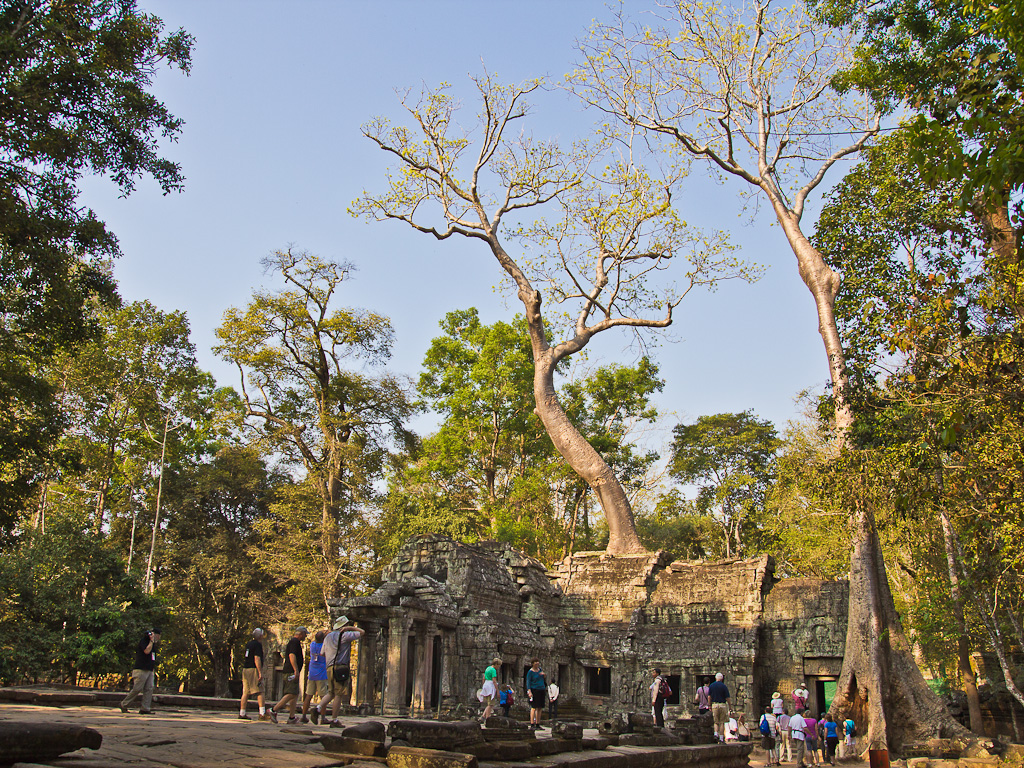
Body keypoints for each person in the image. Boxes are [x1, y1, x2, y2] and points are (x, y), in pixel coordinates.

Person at [312, 616, 365, 727]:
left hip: (329, 667)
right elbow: (362, 632)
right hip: (340, 667)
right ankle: (334, 720)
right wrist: (352, 628)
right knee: (339, 694)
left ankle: (317, 708)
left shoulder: (327, 637)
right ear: (344, 626)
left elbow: (322, 653)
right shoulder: (345, 635)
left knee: (331, 692)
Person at [269, 626, 308, 723]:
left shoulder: (295, 642)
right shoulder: (294, 642)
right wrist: (296, 670)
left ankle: (292, 717)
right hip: (291, 671)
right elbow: (292, 655)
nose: (305, 636)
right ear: (301, 634)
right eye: (305, 634)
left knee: (294, 694)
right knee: (291, 693)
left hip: (291, 670)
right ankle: (273, 710)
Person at [119, 627, 161, 714]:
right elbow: (146, 651)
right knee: (137, 688)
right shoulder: (144, 641)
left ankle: (145, 708)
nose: (158, 638)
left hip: (149, 670)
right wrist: (151, 641)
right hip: (141, 669)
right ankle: (124, 704)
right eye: (158, 636)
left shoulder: (154, 645)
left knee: (149, 689)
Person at [239, 628, 269, 720]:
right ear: (260, 636)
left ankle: (242, 713)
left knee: (246, 692)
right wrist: (260, 672)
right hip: (253, 669)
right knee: (260, 691)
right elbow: (257, 658)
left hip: (246, 669)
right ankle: (262, 713)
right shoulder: (257, 645)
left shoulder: (249, 644)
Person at [300, 630, 328, 723]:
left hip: (312, 673)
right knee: (323, 697)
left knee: (308, 695)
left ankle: (303, 716)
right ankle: (323, 718)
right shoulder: (323, 647)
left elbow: (317, 638)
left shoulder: (312, 645)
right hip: (322, 673)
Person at [709, 672, 730, 742]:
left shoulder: (711, 686)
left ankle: (715, 734)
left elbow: (709, 697)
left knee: (715, 722)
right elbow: (727, 697)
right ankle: (721, 737)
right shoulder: (724, 686)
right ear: (722, 679)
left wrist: (709, 705)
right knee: (722, 722)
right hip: (722, 705)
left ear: (715, 678)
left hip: (714, 704)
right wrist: (730, 706)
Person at [526, 658, 546, 729]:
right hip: (534, 689)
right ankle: (532, 723)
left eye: (538, 662)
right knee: (533, 707)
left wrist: (544, 675)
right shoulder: (530, 672)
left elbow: (543, 679)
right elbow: (528, 682)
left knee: (540, 707)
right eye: (535, 662)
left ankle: (538, 723)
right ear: (532, 663)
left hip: (541, 689)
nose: (537, 663)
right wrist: (529, 691)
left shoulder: (540, 670)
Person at [480, 658, 500, 722]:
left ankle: (483, 716)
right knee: (491, 704)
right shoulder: (493, 670)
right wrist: (497, 691)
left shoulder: (488, 668)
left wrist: (483, 686)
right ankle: (487, 718)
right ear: (496, 664)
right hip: (490, 686)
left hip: (486, 684)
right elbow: (494, 681)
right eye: (498, 665)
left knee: (489, 703)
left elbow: (483, 678)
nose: (498, 667)